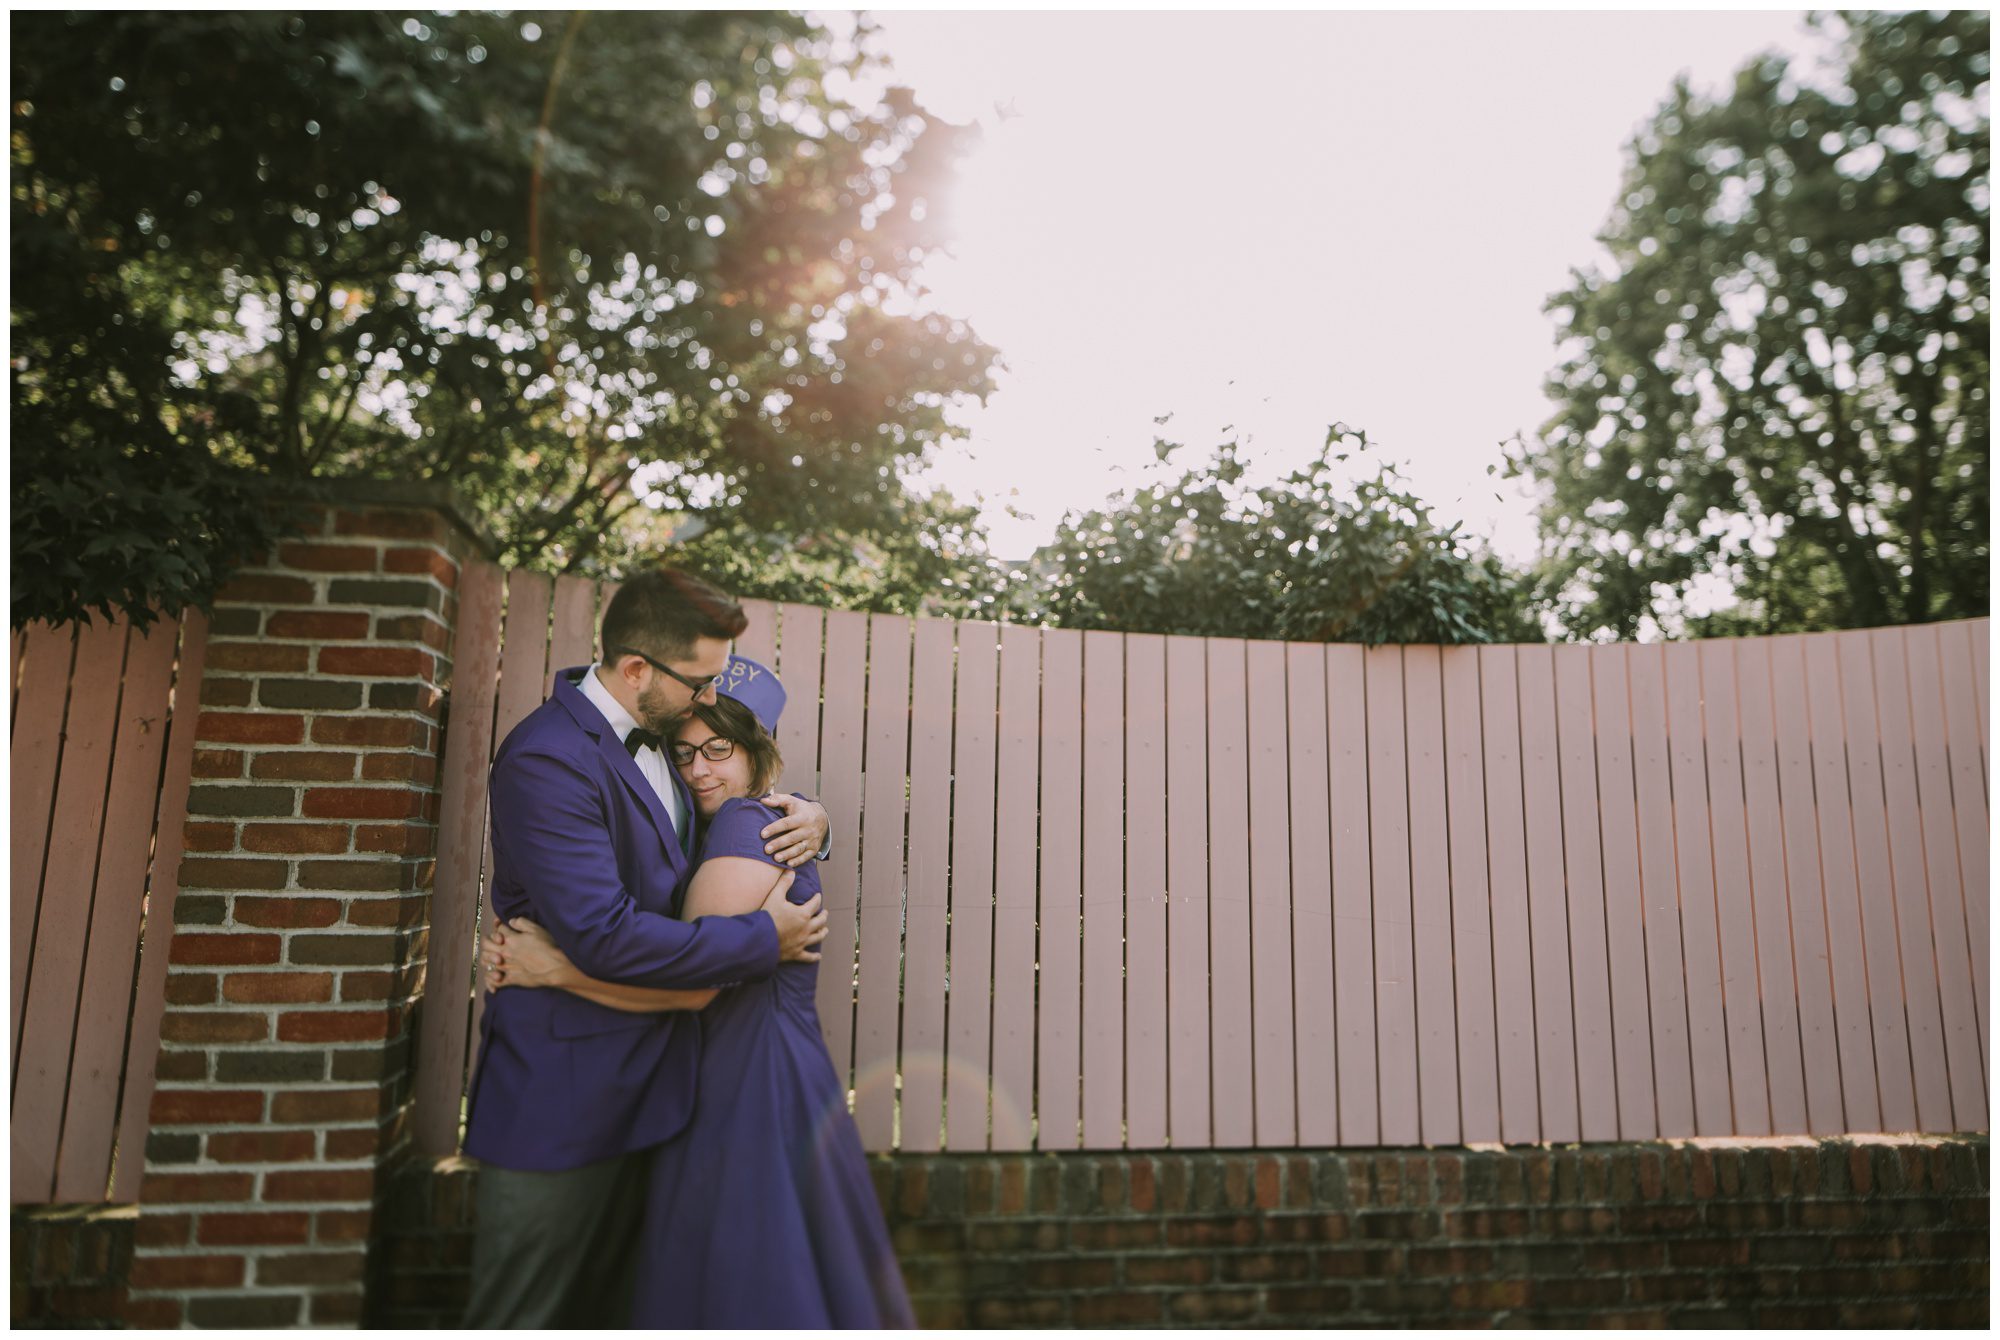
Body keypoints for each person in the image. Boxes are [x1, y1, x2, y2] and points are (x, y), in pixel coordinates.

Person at [483, 655, 916, 1328]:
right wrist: (819, 818)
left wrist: (554, 970)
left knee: (747, 1275)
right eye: (683, 755)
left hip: (750, 1077)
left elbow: (690, 990)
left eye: (720, 750)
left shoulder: (748, 827)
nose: (700, 770)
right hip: (740, 1070)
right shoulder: (718, 828)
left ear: (757, 750)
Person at [460, 569, 833, 1328]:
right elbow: (602, 933)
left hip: (663, 1097)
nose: (708, 696)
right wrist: (765, 938)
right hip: (563, 1099)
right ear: (636, 669)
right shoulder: (548, 759)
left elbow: (730, 808)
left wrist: (812, 817)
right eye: (699, 680)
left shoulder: (666, 742)